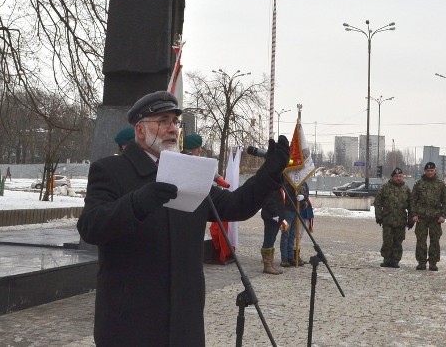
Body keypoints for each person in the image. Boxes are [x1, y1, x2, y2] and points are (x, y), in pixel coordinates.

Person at [76, 91, 289, 346]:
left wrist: (268, 174)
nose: (172, 129)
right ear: (140, 129)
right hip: (131, 322)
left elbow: (234, 206)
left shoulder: (188, 170)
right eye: (163, 121)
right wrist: (137, 202)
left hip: (183, 321)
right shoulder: (110, 171)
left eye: (175, 122)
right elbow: (91, 226)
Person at [410, 162, 446, 271]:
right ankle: (421, 262)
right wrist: (414, 214)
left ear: (435, 171)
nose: (430, 172)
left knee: (435, 240)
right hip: (421, 217)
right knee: (421, 240)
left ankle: (433, 262)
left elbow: (445, 201)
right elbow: (413, 200)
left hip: (435, 218)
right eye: (428, 171)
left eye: (432, 170)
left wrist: (443, 215)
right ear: (425, 171)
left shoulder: (441, 184)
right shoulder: (419, 184)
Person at [374, 167, 412, 268]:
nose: (398, 178)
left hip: (401, 220)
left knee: (398, 241)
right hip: (387, 219)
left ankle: (395, 260)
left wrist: (411, 220)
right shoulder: (385, 187)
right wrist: (378, 215)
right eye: (396, 176)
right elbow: (377, 202)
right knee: (387, 241)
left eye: (400, 176)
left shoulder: (406, 189)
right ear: (392, 177)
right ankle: (386, 259)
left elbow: (411, 206)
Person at [260, 188, 287, 274]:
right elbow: (268, 200)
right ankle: (267, 265)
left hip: (277, 216)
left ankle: (270, 264)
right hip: (271, 216)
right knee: (269, 239)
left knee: (272, 239)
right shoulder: (270, 185)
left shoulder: (278, 185)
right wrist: (274, 213)